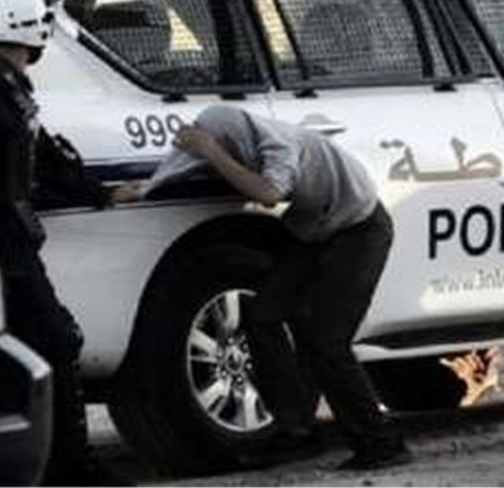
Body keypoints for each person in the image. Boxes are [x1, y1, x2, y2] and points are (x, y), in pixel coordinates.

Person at [114, 104, 412, 470]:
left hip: (359, 230)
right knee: (263, 315)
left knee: (326, 340)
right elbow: (183, 166)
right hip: (311, 231)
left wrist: (213, 152)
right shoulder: (236, 145)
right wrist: (145, 189)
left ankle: (381, 442)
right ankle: (295, 430)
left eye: (223, 147)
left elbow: (269, 194)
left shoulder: (279, 144)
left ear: (236, 139)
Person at [0, 0, 124, 486]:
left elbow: (41, 156)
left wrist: (100, 192)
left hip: (3, 243)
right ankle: (70, 469)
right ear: (27, 28)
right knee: (53, 342)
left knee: (43, 345)